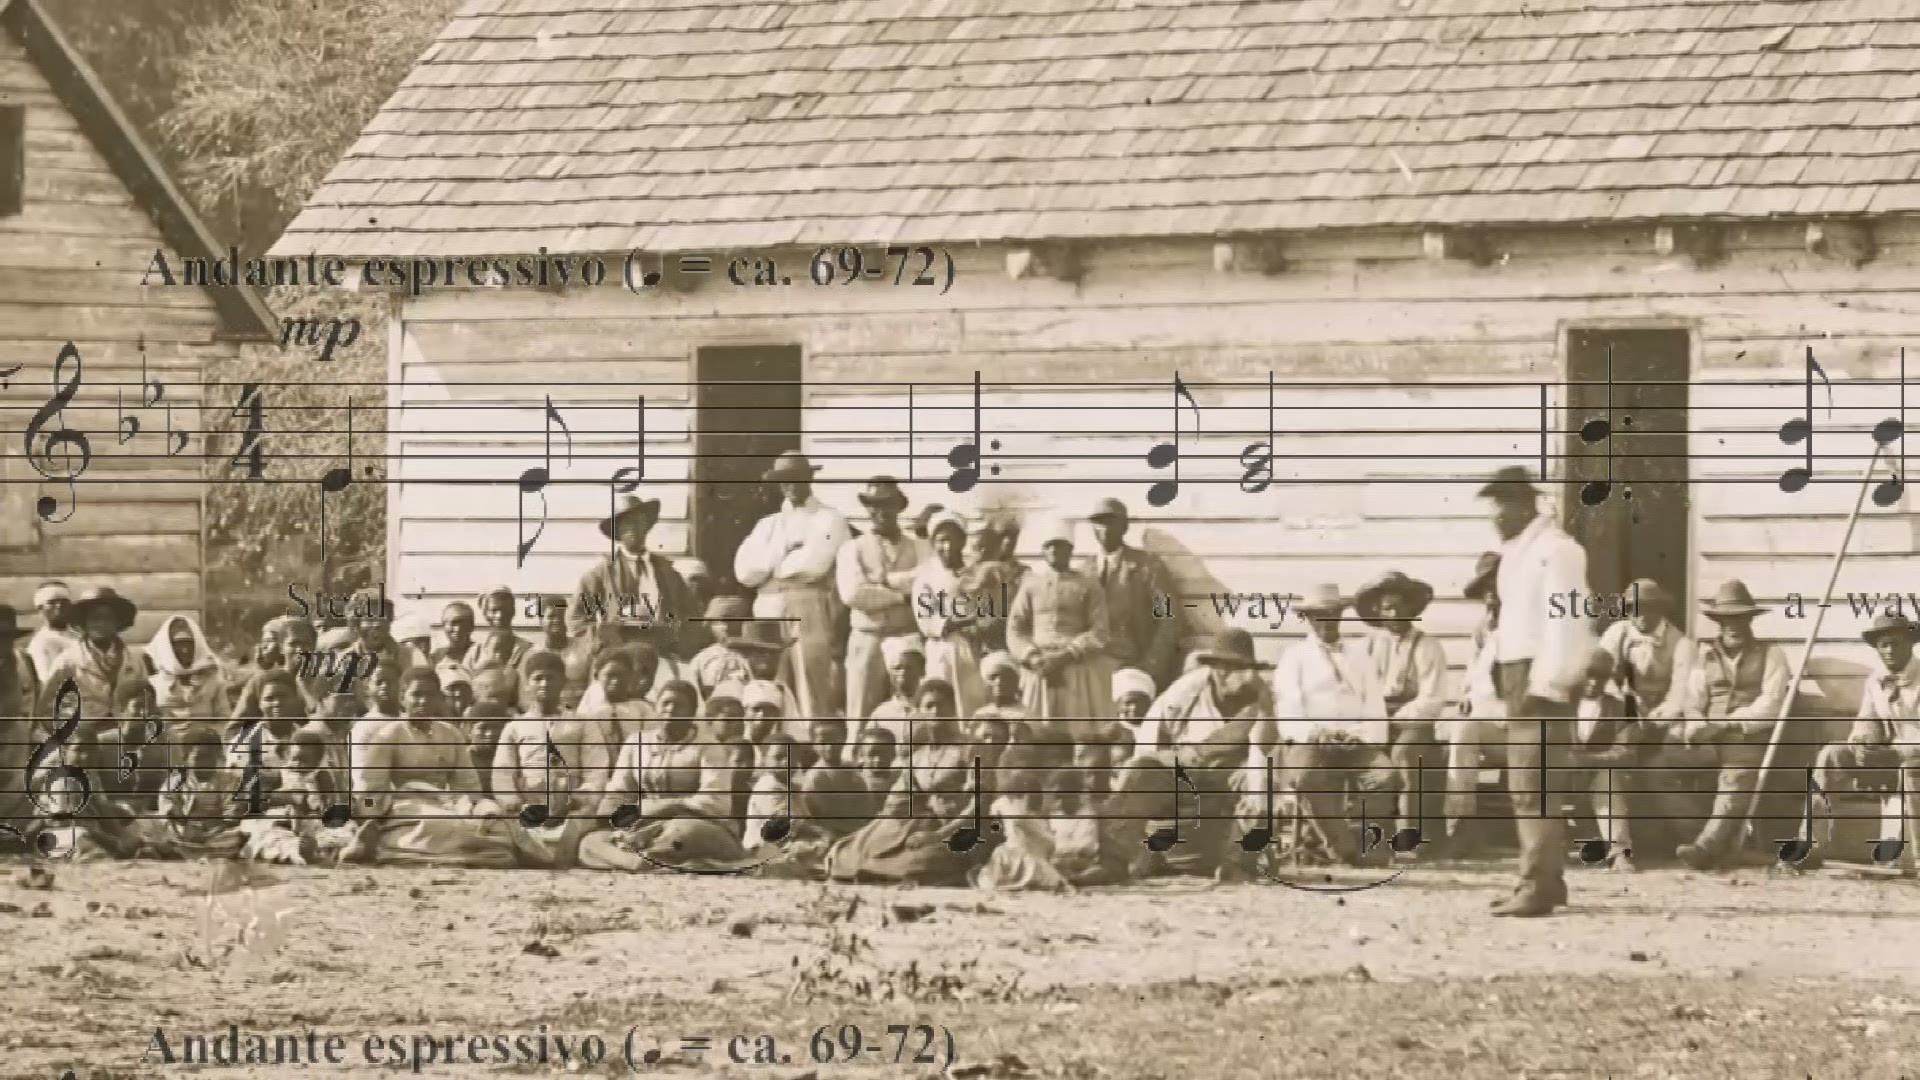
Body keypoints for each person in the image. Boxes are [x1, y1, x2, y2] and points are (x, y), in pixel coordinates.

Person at [1480, 465, 1597, 917]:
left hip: (1541, 681)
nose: (1495, 516)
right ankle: (1545, 878)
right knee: (1525, 783)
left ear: (1524, 505)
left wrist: (1549, 683)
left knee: (1534, 784)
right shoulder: (1519, 555)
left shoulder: (1557, 551)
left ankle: (1537, 885)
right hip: (1516, 677)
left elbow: (1568, 623)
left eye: (1501, 505)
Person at [1263, 586, 1396, 866]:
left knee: (1384, 776)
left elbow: (1374, 705)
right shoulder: (1294, 657)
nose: (1327, 622)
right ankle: (1343, 849)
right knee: (1306, 777)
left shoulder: (1359, 655)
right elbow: (1288, 709)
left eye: (1333, 615)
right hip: (1312, 741)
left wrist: (1362, 736)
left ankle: (1371, 845)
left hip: (1354, 740)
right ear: (1308, 619)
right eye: (1318, 616)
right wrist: (1316, 733)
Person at [1670, 580, 1794, 872]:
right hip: (1708, 739)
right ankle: (1701, 836)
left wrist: (1724, 725)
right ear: (1718, 622)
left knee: (1735, 780)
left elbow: (1771, 706)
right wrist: (1697, 726)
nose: (1733, 626)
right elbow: (1693, 701)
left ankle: (1705, 846)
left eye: (1739, 618)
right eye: (1727, 620)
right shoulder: (1704, 656)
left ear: (1750, 619)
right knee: (1657, 766)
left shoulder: (1771, 654)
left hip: (1747, 738)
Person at [347, 667, 518, 868]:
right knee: (441, 824)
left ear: (439, 699)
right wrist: (370, 818)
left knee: (496, 822)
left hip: (447, 803)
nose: (423, 701)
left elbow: (469, 786)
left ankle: (476, 848)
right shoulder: (388, 736)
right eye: (416, 695)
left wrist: (476, 807)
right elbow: (368, 792)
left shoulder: (451, 734)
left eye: (430, 695)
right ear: (403, 698)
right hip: (403, 806)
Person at [733, 451, 852, 718]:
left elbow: (813, 564)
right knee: (771, 676)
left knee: (810, 677)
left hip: (807, 604)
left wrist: (771, 567)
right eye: (784, 481)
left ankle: (811, 740)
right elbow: (744, 571)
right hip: (767, 606)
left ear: (809, 479)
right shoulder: (768, 524)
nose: (791, 486)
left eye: (797, 479)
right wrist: (784, 550)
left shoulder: (829, 519)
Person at [1812, 612, 1920, 867]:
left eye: (1897, 643)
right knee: (1831, 755)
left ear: (1910, 644)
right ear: (1877, 648)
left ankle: (1918, 860)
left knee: (1912, 771)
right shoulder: (1876, 680)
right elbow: (1866, 718)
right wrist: (1863, 742)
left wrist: (1895, 752)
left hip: (1912, 760)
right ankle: (1812, 844)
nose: (1891, 650)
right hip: (1885, 758)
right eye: (1884, 644)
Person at [1355, 571, 1450, 852]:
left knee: (1404, 754)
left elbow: (1432, 698)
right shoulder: (1368, 645)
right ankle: (1372, 838)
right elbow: (1358, 689)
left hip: (1414, 722)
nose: (1394, 613)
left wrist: (1395, 719)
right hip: (1375, 718)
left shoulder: (1427, 646)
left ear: (1411, 608)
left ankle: (1408, 835)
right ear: (1378, 612)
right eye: (1387, 607)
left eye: (1400, 606)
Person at [1007, 515, 1115, 753]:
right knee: (1037, 735)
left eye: (1061, 545)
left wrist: (1068, 654)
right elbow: (1015, 628)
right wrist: (1033, 657)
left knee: (1075, 736)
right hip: (1039, 669)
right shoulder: (1030, 584)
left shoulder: (1088, 584)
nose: (1055, 550)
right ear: (1043, 551)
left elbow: (1100, 631)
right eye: (1049, 545)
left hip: (1075, 668)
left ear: (1070, 549)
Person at [835, 476, 924, 723]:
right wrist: (901, 595)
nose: (881, 511)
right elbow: (854, 594)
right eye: (874, 505)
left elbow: (925, 583)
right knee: (861, 715)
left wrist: (883, 583)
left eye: (887, 503)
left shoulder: (919, 547)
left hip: (906, 638)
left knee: (909, 709)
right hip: (868, 639)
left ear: (899, 506)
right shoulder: (852, 548)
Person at [568, 495, 700, 658]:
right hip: (617, 656)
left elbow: (692, 615)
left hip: (661, 654)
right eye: (626, 523)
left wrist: (678, 643)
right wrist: (603, 640)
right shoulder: (602, 573)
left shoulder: (667, 573)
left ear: (647, 526)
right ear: (618, 530)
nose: (633, 528)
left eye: (638, 521)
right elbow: (576, 619)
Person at [1437, 553, 1504, 854]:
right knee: (1460, 730)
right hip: (1489, 725)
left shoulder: (1531, 624)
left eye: (1495, 585)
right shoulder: (1483, 629)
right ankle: (1460, 823)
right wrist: (1466, 698)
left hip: (1525, 728)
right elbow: (1472, 675)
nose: (1490, 594)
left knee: (1465, 731)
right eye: (1484, 589)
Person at [1085, 498, 1182, 693]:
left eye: (1111, 521)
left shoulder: (1148, 567)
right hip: (1092, 671)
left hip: (1134, 666)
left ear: (1125, 526)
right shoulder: (1084, 570)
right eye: (1099, 522)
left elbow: (1169, 619)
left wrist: (1151, 665)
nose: (1104, 528)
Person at [915, 509, 989, 720]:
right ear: (932, 543)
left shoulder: (977, 571)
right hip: (943, 649)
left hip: (974, 650)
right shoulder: (926, 577)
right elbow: (928, 621)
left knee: (974, 706)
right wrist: (969, 619)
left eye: (953, 540)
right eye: (941, 541)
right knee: (944, 703)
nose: (947, 547)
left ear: (963, 541)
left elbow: (989, 609)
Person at [39, 586, 147, 723]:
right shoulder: (67, 661)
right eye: (95, 619)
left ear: (117, 622)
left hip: (126, 737)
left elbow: (146, 698)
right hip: (85, 738)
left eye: (107, 618)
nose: (101, 624)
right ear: (84, 623)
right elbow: (48, 709)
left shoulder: (134, 660)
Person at [146, 615, 233, 732]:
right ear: (168, 647)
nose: (185, 650)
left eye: (189, 644)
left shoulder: (213, 681)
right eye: (178, 644)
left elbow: (225, 722)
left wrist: (204, 734)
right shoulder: (153, 685)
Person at [860, 634, 926, 743]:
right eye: (897, 668)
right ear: (890, 674)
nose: (903, 673)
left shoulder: (930, 709)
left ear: (921, 670)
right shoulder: (881, 714)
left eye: (909, 668)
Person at [688, 595, 755, 695]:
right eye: (719, 622)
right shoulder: (702, 659)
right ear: (711, 626)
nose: (726, 627)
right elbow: (693, 691)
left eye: (732, 621)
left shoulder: (753, 656)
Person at [26, 581, 77, 684]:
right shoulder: (40, 643)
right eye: (51, 602)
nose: (59, 606)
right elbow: (47, 682)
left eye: (64, 602)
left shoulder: (79, 636)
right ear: (40, 609)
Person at [430, 601, 480, 678]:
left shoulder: (480, 652)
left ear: (471, 626)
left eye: (461, 624)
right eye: (452, 623)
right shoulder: (437, 656)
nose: (457, 629)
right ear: (444, 626)